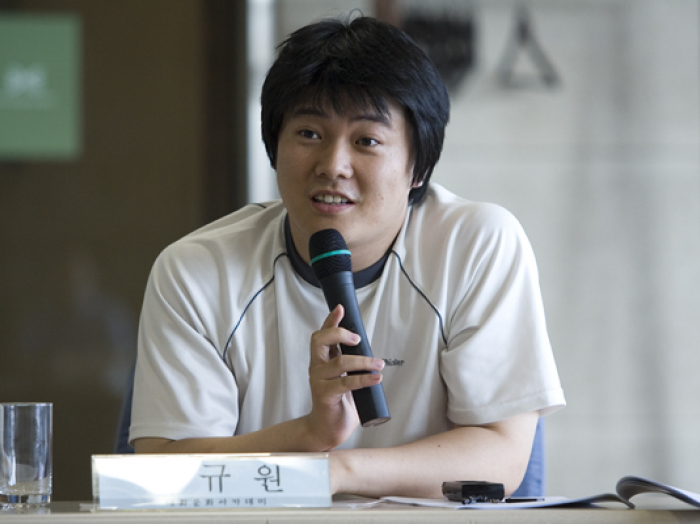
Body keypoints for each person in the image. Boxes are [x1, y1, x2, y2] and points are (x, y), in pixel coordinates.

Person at [130, 15, 565, 499]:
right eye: (309, 134)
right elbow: (163, 472)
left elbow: (501, 455)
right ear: (274, 146)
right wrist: (310, 434)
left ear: (418, 167)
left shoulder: (475, 246)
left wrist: (338, 471)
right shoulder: (195, 271)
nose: (333, 165)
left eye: (367, 141)